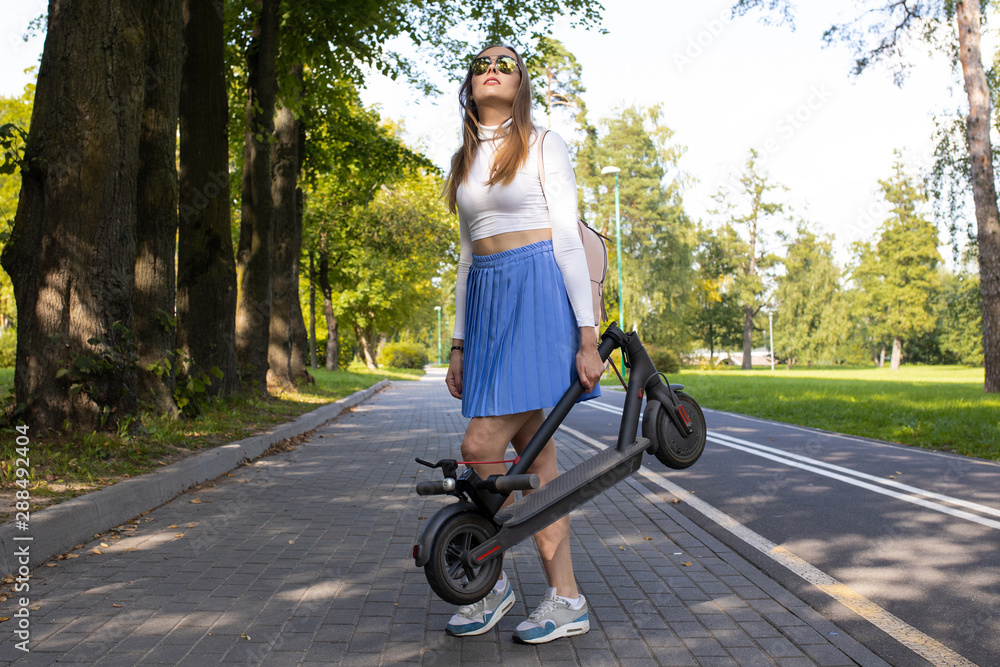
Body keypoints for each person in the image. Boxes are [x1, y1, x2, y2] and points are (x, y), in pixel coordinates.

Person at [442, 43, 604, 644]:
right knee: (536, 461)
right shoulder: (462, 160)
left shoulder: (543, 144)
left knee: (480, 445)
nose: (493, 68)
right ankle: (566, 599)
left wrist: (586, 335)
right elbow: (465, 255)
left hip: (535, 291)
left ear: (520, 84)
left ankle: (493, 575)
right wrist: (458, 343)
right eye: (483, 62)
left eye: (506, 63)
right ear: (470, 83)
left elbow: (566, 236)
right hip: (487, 302)